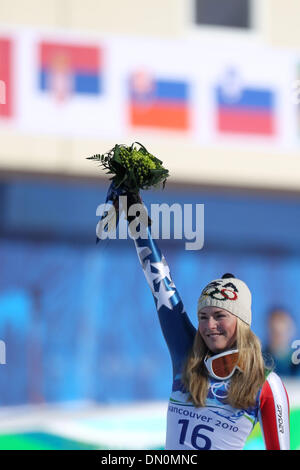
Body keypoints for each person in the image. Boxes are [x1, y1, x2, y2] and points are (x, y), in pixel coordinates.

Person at [128, 204, 290, 450]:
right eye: (203, 316)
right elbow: (159, 282)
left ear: (241, 321)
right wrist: (133, 211)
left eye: (219, 315)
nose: (209, 325)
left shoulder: (266, 384)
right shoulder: (187, 357)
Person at [264, 307, 299, 378]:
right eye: (275, 332)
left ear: (292, 330)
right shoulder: (258, 360)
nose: (279, 339)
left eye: (283, 332)